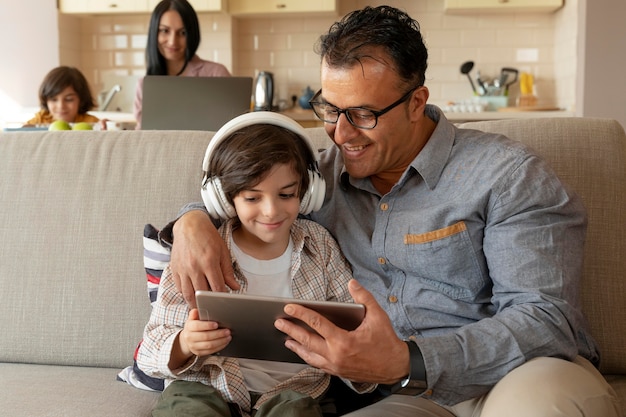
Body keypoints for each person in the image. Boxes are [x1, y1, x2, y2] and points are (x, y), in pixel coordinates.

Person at [160, 6, 621, 417]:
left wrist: (408, 358)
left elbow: (544, 318)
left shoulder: (508, 175)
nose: (341, 134)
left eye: (363, 114)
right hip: (402, 397)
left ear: (416, 103)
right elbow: (247, 190)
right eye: (329, 109)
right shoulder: (316, 179)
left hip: (518, 376)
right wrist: (191, 220)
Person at [136, 111, 376, 417]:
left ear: (307, 192)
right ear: (224, 199)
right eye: (252, 198)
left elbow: (353, 327)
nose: (271, 210)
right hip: (206, 385)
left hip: (295, 392)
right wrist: (185, 342)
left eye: (286, 194)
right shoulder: (201, 252)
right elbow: (150, 347)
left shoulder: (320, 246)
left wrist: (346, 351)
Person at [134, 0, 231, 129]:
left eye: (182, 33)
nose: (173, 42)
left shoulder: (217, 74)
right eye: (165, 31)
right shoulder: (144, 85)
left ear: (192, 35)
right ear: (154, 33)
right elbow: (143, 137)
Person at [24, 66, 106, 129]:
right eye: (53, 99)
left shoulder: (90, 123)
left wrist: (107, 127)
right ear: (46, 100)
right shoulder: (40, 120)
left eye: (69, 99)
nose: (61, 106)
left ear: (81, 100)